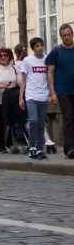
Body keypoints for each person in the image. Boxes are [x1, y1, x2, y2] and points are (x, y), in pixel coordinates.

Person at [46, 23, 74, 159]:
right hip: (63, 91)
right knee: (68, 117)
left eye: (69, 35)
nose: (67, 38)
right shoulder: (56, 51)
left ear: (72, 34)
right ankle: (69, 148)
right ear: (61, 36)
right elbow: (50, 73)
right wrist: (52, 92)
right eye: (64, 36)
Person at [19, 37, 50, 160]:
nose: (40, 48)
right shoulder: (27, 60)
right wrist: (21, 97)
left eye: (42, 45)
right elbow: (23, 79)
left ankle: (39, 149)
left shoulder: (47, 59)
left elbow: (49, 76)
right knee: (33, 120)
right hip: (31, 95)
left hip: (43, 95)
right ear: (33, 48)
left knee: (42, 123)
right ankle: (31, 147)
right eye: (37, 46)